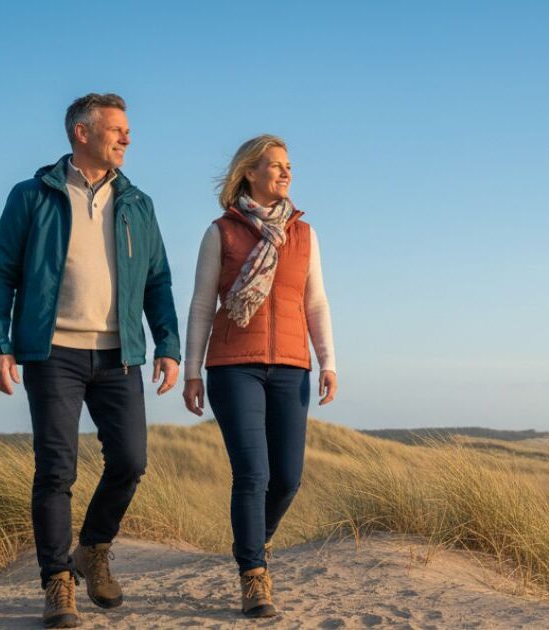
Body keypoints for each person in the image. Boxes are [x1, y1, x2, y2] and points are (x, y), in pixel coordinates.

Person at [0, 93, 181, 628]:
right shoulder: (32, 195)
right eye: (117, 129)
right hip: (53, 353)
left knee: (132, 461)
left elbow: (158, 279)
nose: (127, 138)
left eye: (127, 130)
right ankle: (57, 584)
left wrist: (168, 345)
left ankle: (93, 547)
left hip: (120, 355)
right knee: (56, 470)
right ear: (81, 132)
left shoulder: (137, 203)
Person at [182, 134, 336, 618]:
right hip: (233, 367)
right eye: (275, 165)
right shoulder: (221, 232)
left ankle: (254, 545)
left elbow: (315, 302)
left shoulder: (303, 235)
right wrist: (192, 373)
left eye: (288, 165)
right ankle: (253, 574)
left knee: (287, 479)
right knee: (253, 473)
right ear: (249, 172)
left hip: (292, 366)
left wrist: (328, 361)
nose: (285, 173)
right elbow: (203, 304)